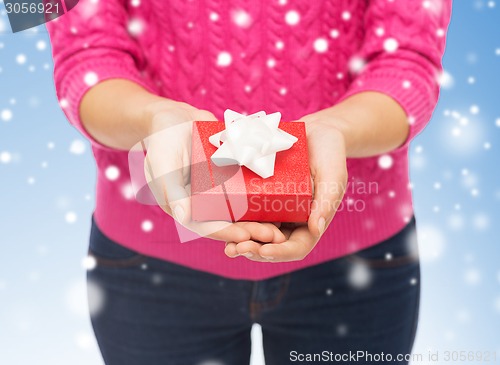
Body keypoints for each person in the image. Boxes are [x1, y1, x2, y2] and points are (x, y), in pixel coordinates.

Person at [47, 0, 452, 364]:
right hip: (146, 259)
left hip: (358, 253)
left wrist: (339, 129)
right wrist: (152, 118)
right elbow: (78, 58)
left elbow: (411, 61)